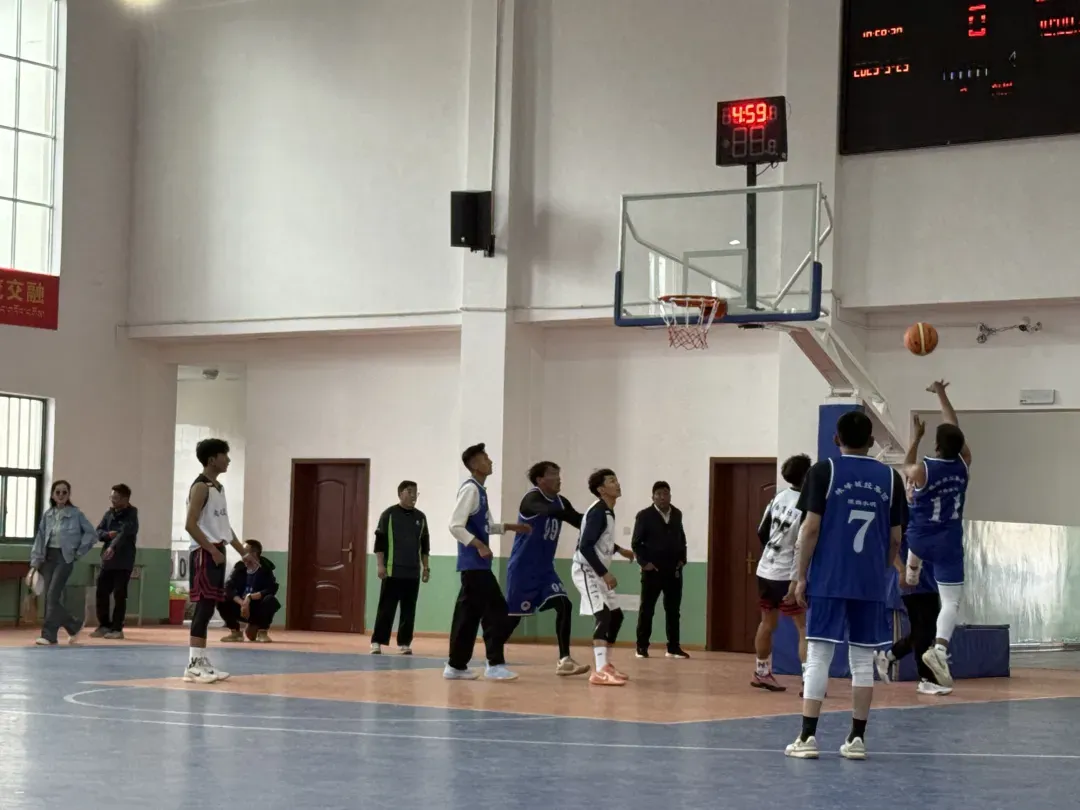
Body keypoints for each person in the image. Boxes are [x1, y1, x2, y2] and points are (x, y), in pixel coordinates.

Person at [785, 411, 903, 760]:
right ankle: (857, 740)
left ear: (836, 439)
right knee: (863, 660)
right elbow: (896, 539)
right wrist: (880, 569)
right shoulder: (891, 478)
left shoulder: (823, 471)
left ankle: (807, 737)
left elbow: (809, 528)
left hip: (829, 578)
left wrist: (801, 575)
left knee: (819, 655)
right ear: (871, 441)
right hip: (869, 582)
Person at [901, 380, 971, 689]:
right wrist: (942, 394)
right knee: (950, 602)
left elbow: (906, 464)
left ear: (937, 445)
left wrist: (915, 438)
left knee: (915, 545)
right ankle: (940, 650)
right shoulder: (964, 464)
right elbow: (954, 427)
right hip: (948, 542)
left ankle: (911, 572)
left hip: (919, 539)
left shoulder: (922, 470)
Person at [445, 443, 531, 681]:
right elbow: (455, 525)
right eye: (485, 458)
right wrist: (479, 545)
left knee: (468, 617)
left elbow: (486, 526)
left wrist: (510, 527)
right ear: (474, 465)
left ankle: (456, 665)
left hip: (477, 566)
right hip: (474, 565)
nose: (490, 461)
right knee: (498, 612)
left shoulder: (480, 491)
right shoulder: (470, 490)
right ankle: (494, 664)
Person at [503, 461, 590, 677]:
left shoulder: (561, 502)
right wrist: (571, 514)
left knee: (564, 605)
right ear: (540, 479)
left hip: (545, 570)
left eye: (559, 473)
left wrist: (600, 518)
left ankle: (565, 660)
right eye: (553, 474)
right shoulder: (531, 499)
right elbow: (549, 510)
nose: (559, 478)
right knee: (513, 619)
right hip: (523, 569)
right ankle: (492, 654)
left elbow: (578, 521)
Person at [183, 438, 257, 683]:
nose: (229, 459)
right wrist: (211, 550)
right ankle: (193, 664)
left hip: (217, 550)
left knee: (210, 605)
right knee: (203, 606)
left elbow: (225, 528)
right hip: (204, 553)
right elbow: (190, 524)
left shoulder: (219, 488)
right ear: (212, 459)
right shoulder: (200, 487)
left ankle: (200, 660)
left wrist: (243, 552)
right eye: (225, 455)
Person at [751, 454, 811, 691]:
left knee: (767, 623)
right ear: (807, 475)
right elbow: (802, 545)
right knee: (803, 628)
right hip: (787, 574)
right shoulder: (806, 504)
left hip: (766, 569)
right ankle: (809, 680)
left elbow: (761, 531)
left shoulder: (777, 497)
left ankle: (761, 672)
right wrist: (796, 578)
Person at [571, 468, 636, 686]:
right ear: (601, 489)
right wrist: (604, 573)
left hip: (597, 571)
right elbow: (585, 546)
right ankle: (599, 671)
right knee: (603, 615)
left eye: (616, 480)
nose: (617, 484)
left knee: (616, 616)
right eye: (611, 481)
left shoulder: (607, 511)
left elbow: (600, 540)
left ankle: (606, 664)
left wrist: (619, 550)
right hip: (586, 570)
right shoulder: (598, 511)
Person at [875, 534, 952, 696]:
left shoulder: (930, 525)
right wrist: (902, 570)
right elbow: (891, 542)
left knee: (924, 632)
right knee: (923, 633)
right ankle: (926, 680)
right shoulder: (906, 523)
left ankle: (888, 656)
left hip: (931, 582)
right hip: (912, 584)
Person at [28, 480, 96, 646]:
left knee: (52, 596)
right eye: (57, 492)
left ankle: (49, 635)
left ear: (68, 495)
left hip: (64, 558)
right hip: (47, 558)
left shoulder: (76, 514)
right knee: (49, 597)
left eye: (64, 492)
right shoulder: (48, 515)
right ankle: (73, 625)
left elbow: (91, 534)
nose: (61, 495)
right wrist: (35, 562)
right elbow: (40, 538)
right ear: (52, 495)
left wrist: (78, 552)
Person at [371, 480, 431, 655]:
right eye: (409, 492)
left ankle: (404, 643)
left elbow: (425, 545)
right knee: (386, 609)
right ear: (400, 494)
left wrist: (426, 568)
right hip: (392, 571)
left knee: (408, 610)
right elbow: (379, 542)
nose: (413, 496)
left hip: (412, 572)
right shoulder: (388, 515)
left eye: (415, 493)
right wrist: (380, 565)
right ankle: (377, 641)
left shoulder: (421, 517)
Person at [632, 481, 689, 659]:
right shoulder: (644, 516)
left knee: (673, 610)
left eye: (665, 493)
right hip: (653, 570)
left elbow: (681, 538)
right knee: (647, 609)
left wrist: (682, 559)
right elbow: (636, 543)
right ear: (653, 497)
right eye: (659, 494)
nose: (662, 497)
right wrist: (644, 563)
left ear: (670, 496)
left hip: (674, 570)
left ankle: (673, 648)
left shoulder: (677, 514)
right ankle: (641, 647)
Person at [91, 484, 139, 640]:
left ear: (125, 499)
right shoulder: (109, 514)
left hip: (124, 560)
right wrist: (107, 535)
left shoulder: (132, 514)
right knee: (102, 591)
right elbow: (98, 532)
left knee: (119, 594)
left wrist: (113, 546)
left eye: (116, 498)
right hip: (107, 560)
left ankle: (117, 628)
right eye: (111, 497)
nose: (113, 500)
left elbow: (124, 533)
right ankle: (104, 625)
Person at [220, 540, 280, 643]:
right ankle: (235, 633)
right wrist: (242, 603)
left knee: (270, 600)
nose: (242, 554)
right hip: (241, 607)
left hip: (257, 607)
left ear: (254, 553)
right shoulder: (240, 567)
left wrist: (250, 597)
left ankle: (262, 632)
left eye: (244, 551)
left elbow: (271, 589)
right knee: (221, 598)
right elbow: (228, 587)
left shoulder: (265, 568)